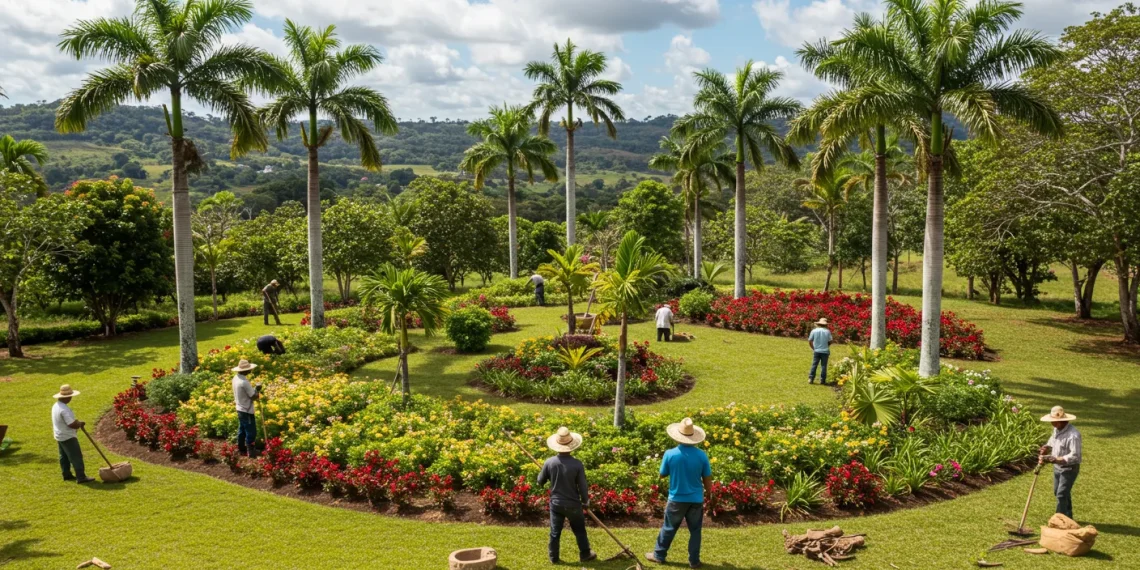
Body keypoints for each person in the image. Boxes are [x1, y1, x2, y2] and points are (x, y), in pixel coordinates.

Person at [647, 417, 711, 569]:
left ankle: (659, 555)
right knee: (695, 530)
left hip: (676, 498)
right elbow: (707, 478)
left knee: (669, 527)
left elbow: (662, 474)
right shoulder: (702, 455)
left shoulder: (670, 454)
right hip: (696, 499)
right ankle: (694, 561)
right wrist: (710, 494)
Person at [537, 427, 597, 565]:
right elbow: (582, 486)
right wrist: (586, 501)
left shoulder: (549, 462)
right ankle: (585, 554)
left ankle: (554, 557)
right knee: (579, 530)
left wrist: (543, 472)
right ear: (571, 445)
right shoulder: (577, 464)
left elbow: (540, 481)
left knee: (555, 532)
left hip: (556, 504)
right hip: (573, 504)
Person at [1040, 406, 1082, 519]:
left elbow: (1075, 456)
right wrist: (1046, 447)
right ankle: (1068, 516)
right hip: (1057, 468)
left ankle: (1060, 519)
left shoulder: (1073, 436)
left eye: (1054, 421)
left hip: (1069, 468)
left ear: (1061, 421)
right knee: (1058, 492)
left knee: (1061, 494)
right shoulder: (1057, 430)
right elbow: (1052, 441)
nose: (1052, 424)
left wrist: (1057, 459)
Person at [52, 384, 95, 484]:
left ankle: (66, 474)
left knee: (64, 456)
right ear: (66, 397)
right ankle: (81, 477)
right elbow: (71, 424)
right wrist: (79, 424)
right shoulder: (64, 410)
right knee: (76, 456)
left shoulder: (56, 406)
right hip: (68, 436)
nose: (71, 398)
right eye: (70, 396)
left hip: (59, 435)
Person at [232, 359, 261, 457]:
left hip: (240, 408)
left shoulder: (235, 378)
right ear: (245, 370)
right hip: (246, 410)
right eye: (249, 369)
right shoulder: (244, 382)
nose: (250, 371)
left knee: (242, 429)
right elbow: (253, 396)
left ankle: (241, 449)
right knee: (251, 431)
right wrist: (258, 390)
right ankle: (251, 452)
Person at [807, 317, 834, 385]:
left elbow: (810, 341)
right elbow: (831, 341)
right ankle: (822, 380)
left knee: (814, 364)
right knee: (823, 366)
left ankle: (811, 378)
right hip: (825, 351)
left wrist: (813, 348)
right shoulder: (827, 331)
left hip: (817, 350)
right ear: (826, 324)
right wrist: (826, 345)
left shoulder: (814, 331)